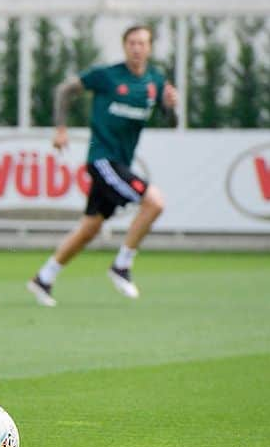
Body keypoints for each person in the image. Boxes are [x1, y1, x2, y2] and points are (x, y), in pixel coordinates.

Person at [27, 25, 178, 307]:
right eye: (132, 42)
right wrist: (60, 128)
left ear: (150, 48)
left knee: (90, 228)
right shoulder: (107, 76)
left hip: (121, 161)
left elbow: (170, 122)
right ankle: (122, 264)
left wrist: (171, 107)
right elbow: (64, 89)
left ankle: (44, 277)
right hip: (102, 160)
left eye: (142, 43)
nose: (136, 48)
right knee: (155, 202)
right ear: (124, 46)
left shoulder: (155, 81)